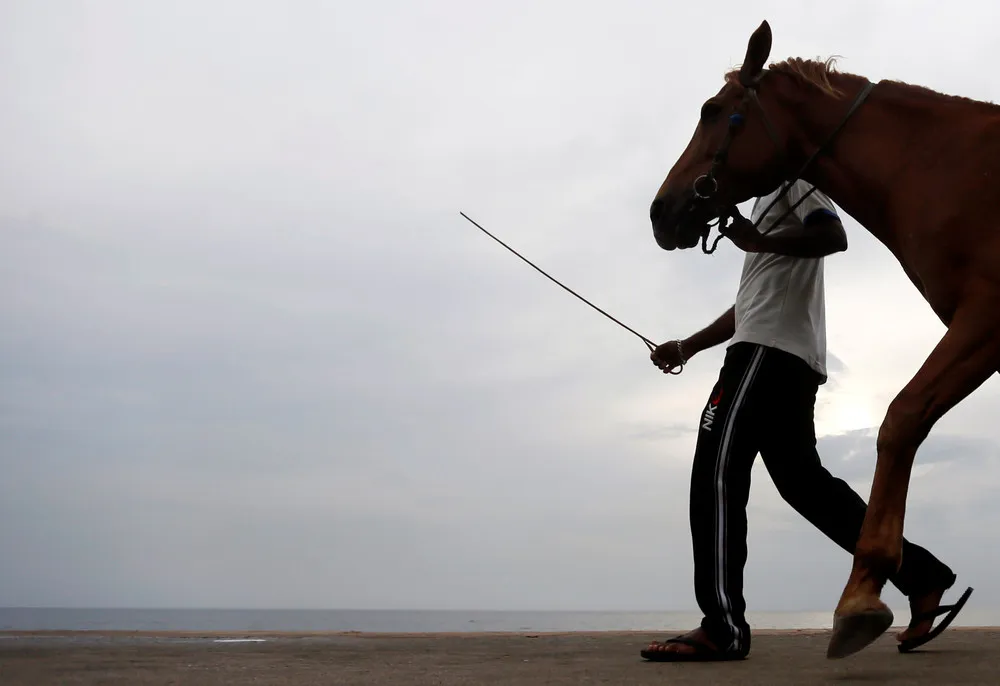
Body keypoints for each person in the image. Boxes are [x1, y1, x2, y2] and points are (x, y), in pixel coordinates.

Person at [640, 180, 963, 662]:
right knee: (807, 487)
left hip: (765, 357)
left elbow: (833, 235)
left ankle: (722, 626)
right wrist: (687, 346)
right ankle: (920, 575)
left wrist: (760, 240)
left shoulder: (795, 183)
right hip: (784, 358)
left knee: (716, 474)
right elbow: (748, 307)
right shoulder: (764, 204)